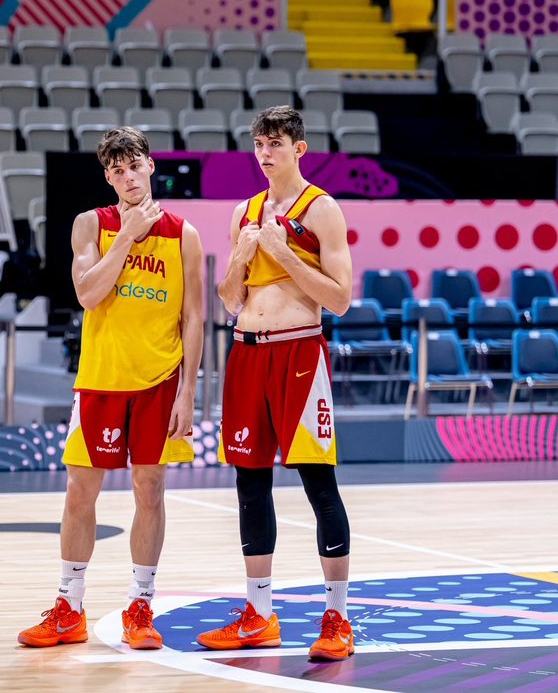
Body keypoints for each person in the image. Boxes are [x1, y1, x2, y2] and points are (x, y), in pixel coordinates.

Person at [18, 127, 204, 651]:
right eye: (116, 170)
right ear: (108, 177)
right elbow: (88, 295)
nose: (127, 177)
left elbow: (194, 317)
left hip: (159, 381)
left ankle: (141, 606)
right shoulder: (88, 225)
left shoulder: (183, 233)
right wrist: (126, 234)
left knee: (150, 490)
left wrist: (189, 390)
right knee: (81, 492)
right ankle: (69, 606)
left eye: (134, 166)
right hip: (101, 380)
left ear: (150, 166)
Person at [198, 106, 355, 661]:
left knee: (318, 484)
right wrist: (239, 260)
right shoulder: (245, 210)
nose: (265, 152)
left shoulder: (323, 209)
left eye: (276, 143)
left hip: (298, 355)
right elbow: (230, 299)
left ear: (299, 149)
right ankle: (259, 614)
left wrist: (284, 254)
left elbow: (339, 298)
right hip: (247, 353)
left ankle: (337, 617)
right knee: (249, 487)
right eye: (259, 143)